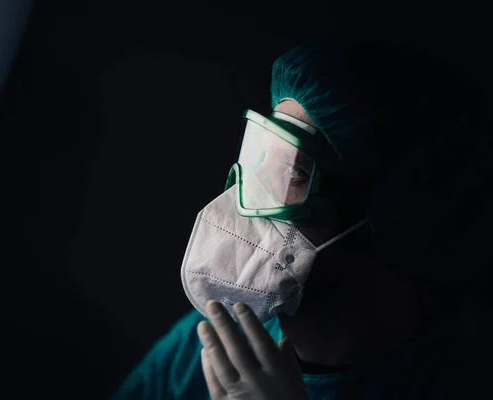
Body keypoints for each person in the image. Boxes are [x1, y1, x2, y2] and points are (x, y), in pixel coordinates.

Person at [110, 39, 493, 399]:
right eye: (260, 152)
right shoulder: (204, 350)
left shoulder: (462, 378)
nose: (248, 194)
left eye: (291, 171)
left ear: (393, 209)